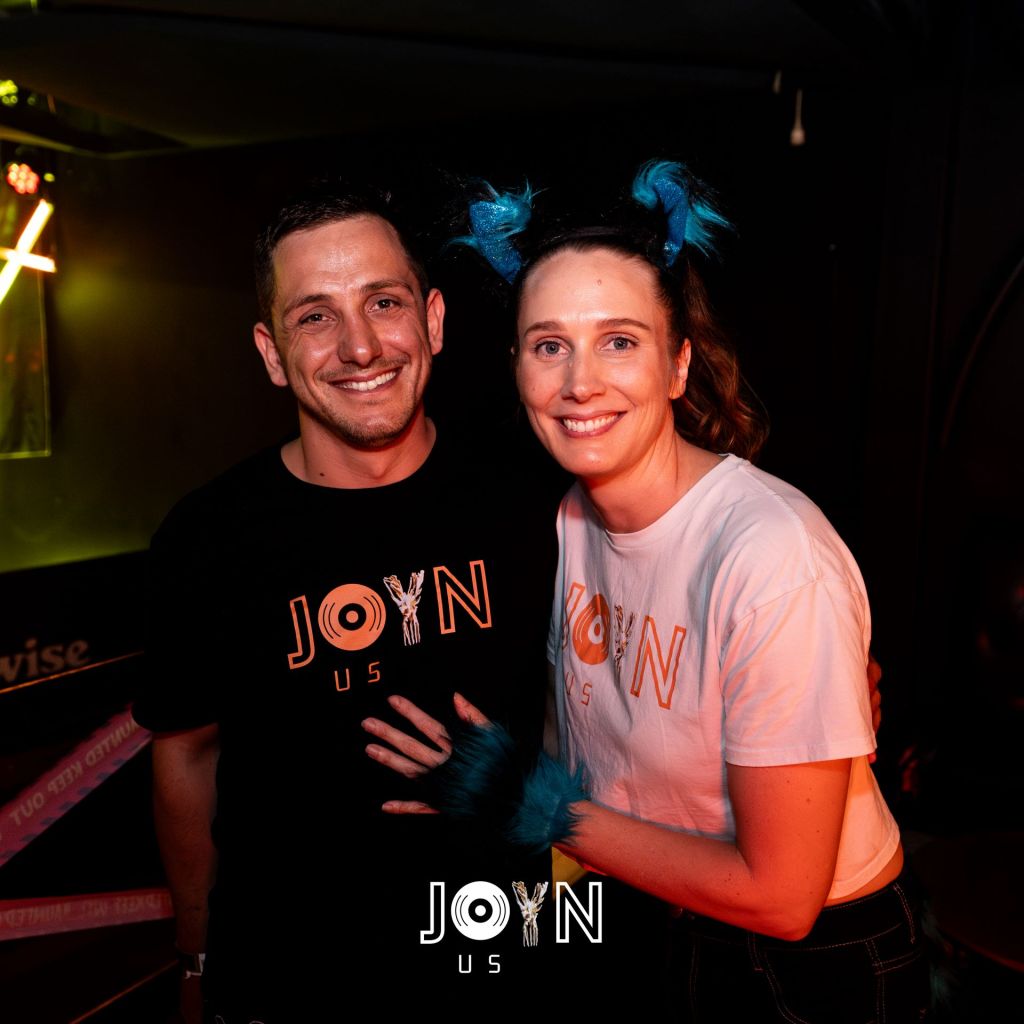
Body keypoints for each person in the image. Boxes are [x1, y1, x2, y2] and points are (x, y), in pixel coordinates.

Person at [366, 162, 929, 1022]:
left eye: (619, 341)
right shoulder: (566, 520)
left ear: (677, 365)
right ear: (517, 367)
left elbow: (784, 897)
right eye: (549, 345)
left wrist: (533, 806)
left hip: (813, 963)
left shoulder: (770, 554)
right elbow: (596, 747)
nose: (579, 382)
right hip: (654, 917)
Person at [132, 182, 560, 1023]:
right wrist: (197, 956)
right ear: (271, 353)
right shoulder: (208, 534)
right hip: (287, 982)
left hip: (502, 966)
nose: (360, 347)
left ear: (433, 320)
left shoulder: (536, 502)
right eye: (315, 316)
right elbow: (185, 756)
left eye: (384, 303)